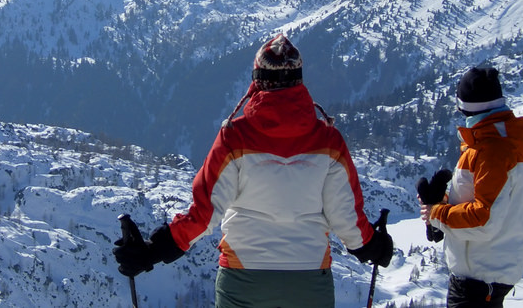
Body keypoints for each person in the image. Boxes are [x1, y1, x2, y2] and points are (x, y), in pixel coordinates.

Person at [113, 33, 393, 308]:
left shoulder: (235, 138)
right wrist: (373, 246)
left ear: (257, 80)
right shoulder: (330, 142)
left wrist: (153, 250)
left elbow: (204, 215)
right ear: (300, 80)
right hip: (309, 280)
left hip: (243, 279)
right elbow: (347, 221)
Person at [419, 66, 523, 308]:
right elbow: (481, 200)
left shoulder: (493, 149)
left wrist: (438, 214)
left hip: (479, 281)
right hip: (480, 277)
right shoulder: (488, 142)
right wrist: (442, 204)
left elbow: (483, 218)